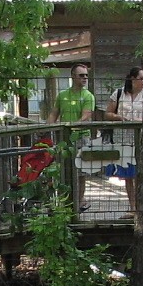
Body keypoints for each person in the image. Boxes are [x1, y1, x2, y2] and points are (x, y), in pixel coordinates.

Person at [46, 63, 96, 209]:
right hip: (64, 138)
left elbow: (86, 116)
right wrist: (45, 128)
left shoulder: (88, 96)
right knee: (64, 170)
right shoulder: (62, 95)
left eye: (86, 75)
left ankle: (79, 201)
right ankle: (65, 200)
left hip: (82, 136)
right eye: (81, 75)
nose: (85, 78)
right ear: (73, 76)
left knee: (81, 172)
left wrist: (72, 126)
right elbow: (54, 113)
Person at [104, 66, 143, 215]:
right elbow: (107, 114)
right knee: (129, 174)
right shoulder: (119, 93)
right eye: (141, 78)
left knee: (142, 172)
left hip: (142, 138)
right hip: (123, 138)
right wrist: (119, 117)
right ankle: (133, 207)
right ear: (133, 79)